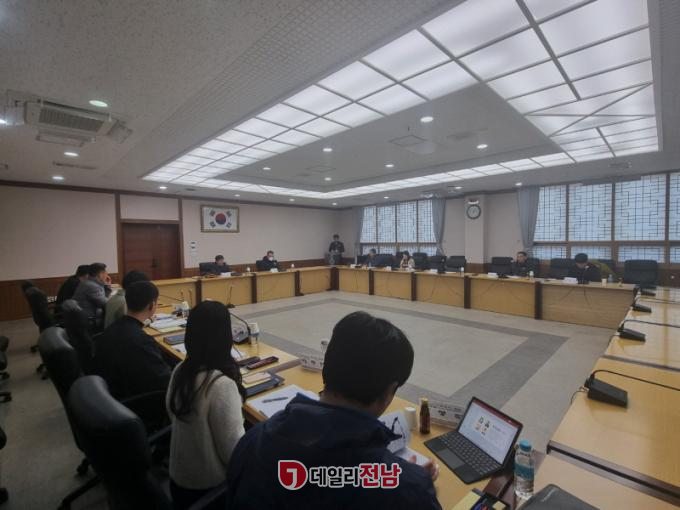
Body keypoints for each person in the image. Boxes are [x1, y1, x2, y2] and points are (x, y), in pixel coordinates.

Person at [226, 311, 442, 510]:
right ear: (389, 391)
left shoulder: (253, 440)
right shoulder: (409, 491)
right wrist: (410, 480)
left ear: (326, 367)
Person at [166, 301, 246, 509]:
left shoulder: (180, 369)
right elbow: (235, 454)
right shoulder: (220, 385)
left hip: (178, 481)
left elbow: (170, 412)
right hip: (209, 491)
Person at [93, 281, 172, 400]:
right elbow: (165, 380)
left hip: (109, 394)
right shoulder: (141, 340)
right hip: (135, 400)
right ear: (152, 306)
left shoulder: (113, 328)